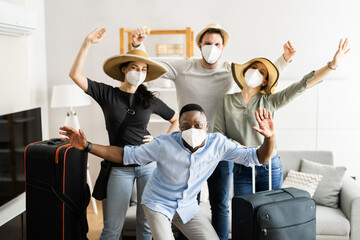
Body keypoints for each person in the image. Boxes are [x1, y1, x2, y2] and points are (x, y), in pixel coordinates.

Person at [131, 23, 297, 239]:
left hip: (217, 147)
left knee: (220, 204)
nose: (212, 47)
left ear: (223, 46)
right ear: (199, 45)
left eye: (217, 44)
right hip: (186, 147)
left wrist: (284, 59)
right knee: (187, 204)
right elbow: (152, 67)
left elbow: (261, 74)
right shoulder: (184, 67)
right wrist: (138, 45)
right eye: (208, 43)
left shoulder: (230, 70)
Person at [59, 104, 275, 240]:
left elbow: (258, 157)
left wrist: (269, 138)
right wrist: (88, 146)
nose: (192, 130)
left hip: (188, 207)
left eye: (197, 125)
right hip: (157, 204)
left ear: (206, 126)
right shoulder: (163, 143)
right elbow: (125, 155)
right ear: (179, 127)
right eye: (185, 126)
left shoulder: (218, 144)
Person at [69, 28, 179, 240]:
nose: (139, 72)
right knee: (112, 228)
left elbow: (176, 119)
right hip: (119, 168)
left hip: (148, 166)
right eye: (134, 67)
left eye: (144, 69)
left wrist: (161, 140)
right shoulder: (107, 94)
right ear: (123, 70)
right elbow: (75, 75)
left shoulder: (150, 99)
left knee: (146, 227)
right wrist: (87, 43)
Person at [214, 38, 350, 196]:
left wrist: (331, 66)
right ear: (245, 71)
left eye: (261, 71)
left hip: (269, 167)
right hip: (241, 168)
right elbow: (219, 136)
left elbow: (301, 85)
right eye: (253, 67)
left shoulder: (269, 101)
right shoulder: (226, 101)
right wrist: (248, 152)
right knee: (244, 215)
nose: (255, 72)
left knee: (269, 216)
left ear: (265, 81)